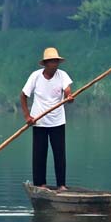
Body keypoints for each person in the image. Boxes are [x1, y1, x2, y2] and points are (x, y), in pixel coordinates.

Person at [21, 47, 74, 190]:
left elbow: (67, 90)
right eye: (52, 61)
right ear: (45, 63)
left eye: (56, 61)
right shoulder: (35, 76)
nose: (55, 64)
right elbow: (23, 96)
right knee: (39, 154)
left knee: (59, 154)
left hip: (57, 121)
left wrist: (69, 97)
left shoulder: (62, 75)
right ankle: (40, 184)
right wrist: (27, 116)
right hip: (39, 121)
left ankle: (61, 185)